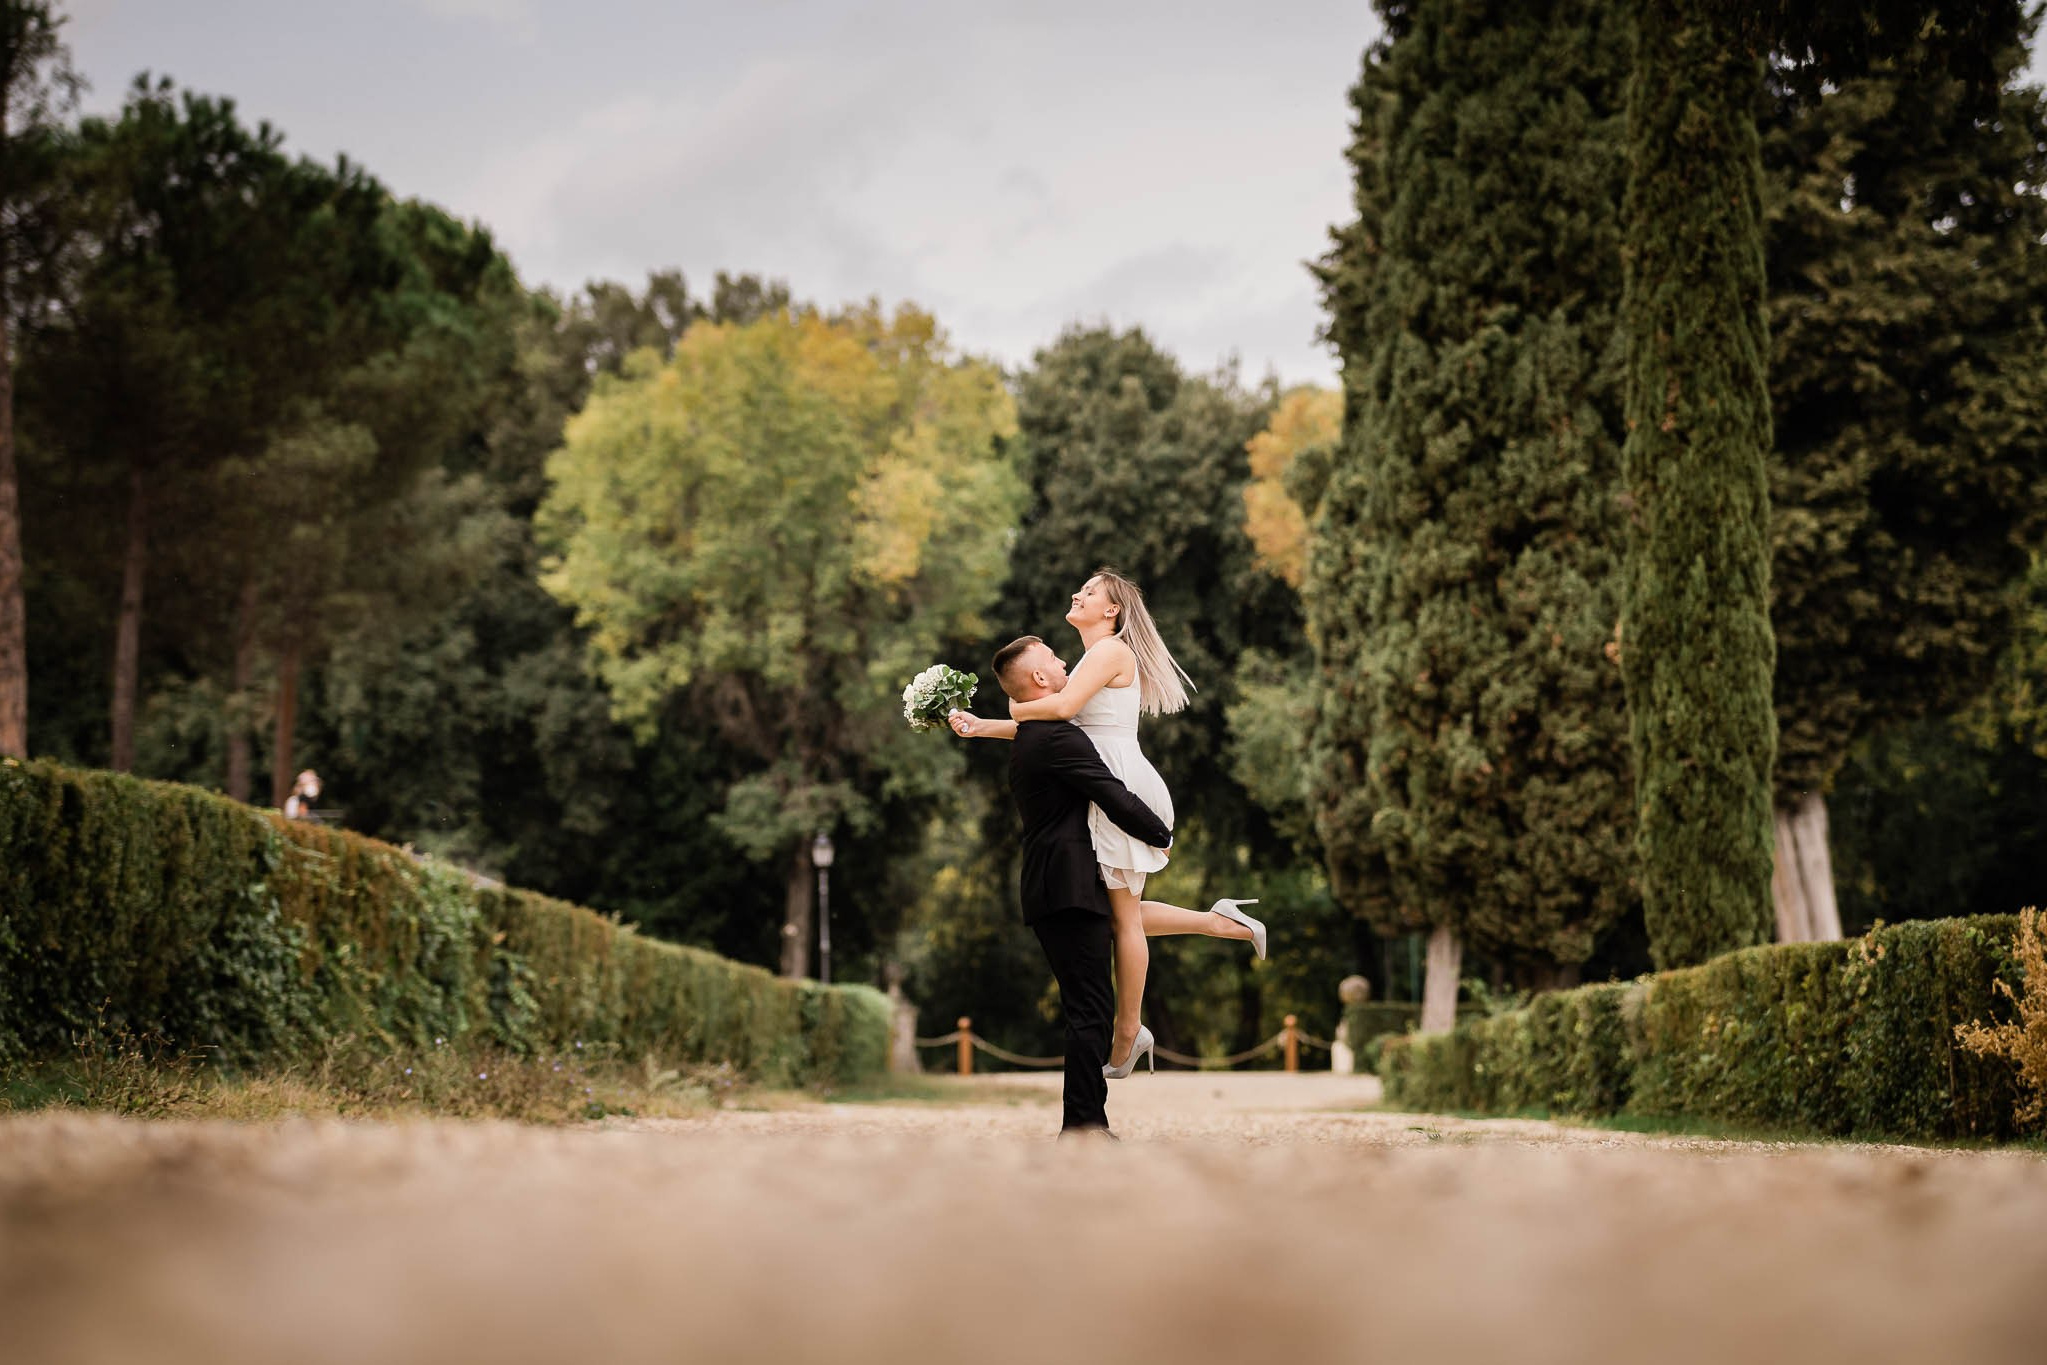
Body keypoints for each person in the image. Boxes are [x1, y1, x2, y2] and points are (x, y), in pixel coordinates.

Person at [949, 571, 1263, 1077]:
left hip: (1120, 786)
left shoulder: (1111, 652)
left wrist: (1010, 703)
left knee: (1122, 916)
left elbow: (1061, 709)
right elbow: (1055, 726)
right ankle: (1218, 922)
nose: (1077, 594)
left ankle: (1128, 1029)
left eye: (1090, 592)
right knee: (1117, 915)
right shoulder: (1088, 663)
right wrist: (983, 726)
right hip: (1098, 783)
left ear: (1112, 610)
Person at [986, 635, 1173, 1136]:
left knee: (1085, 1007)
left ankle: (1085, 1120)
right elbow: (1112, 794)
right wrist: (1161, 835)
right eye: (1052, 657)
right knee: (1090, 1010)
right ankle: (1085, 1125)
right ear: (1041, 681)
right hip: (1068, 889)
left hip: (1053, 887)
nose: (1064, 660)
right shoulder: (1056, 738)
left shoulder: (1038, 734)